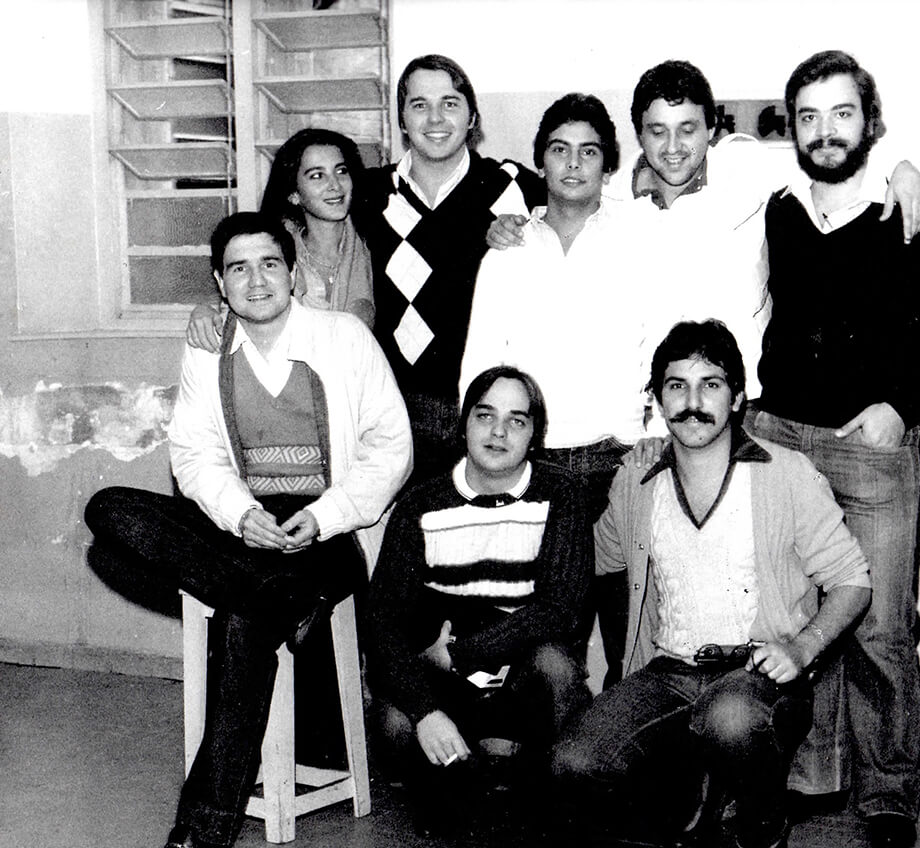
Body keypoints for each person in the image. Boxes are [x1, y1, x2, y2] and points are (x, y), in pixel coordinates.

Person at [84, 211, 413, 848]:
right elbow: (193, 454)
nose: (256, 280)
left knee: (243, 619)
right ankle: (277, 599)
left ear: (292, 273)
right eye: (238, 268)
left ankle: (204, 830)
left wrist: (324, 515)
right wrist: (241, 515)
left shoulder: (343, 336)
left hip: (329, 533)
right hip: (243, 530)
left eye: (269, 264)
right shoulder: (208, 347)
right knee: (110, 507)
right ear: (219, 281)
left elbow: (391, 446)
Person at [747, 50, 920, 848]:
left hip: (872, 449)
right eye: (808, 117)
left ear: (871, 122)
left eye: (841, 113)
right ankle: (812, 777)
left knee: (880, 625)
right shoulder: (778, 208)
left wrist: (901, 409)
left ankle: (888, 796)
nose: (825, 131)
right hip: (781, 439)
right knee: (797, 615)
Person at [550, 320, 871, 848]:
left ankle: (763, 823)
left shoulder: (786, 473)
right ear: (657, 400)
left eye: (711, 385)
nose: (693, 403)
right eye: (677, 386)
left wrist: (801, 647)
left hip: (757, 675)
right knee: (575, 761)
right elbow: (593, 562)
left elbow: (853, 581)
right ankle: (686, 795)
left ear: (738, 398)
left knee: (731, 720)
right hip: (669, 671)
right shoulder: (637, 480)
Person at [488, 59, 920, 397]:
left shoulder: (748, 168)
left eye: (687, 129)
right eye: (657, 131)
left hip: (748, 402)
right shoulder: (614, 199)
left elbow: (830, 155)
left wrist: (901, 166)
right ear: (639, 134)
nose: (673, 147)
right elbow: (557, 211)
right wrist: (511, 225)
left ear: (711, 127)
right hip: (656, 410)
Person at [368, 365, 593, 838]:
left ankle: (531, 798)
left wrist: (461, 653)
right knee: (394, 724)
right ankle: (468, 791)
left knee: (557, 667)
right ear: (464, 423)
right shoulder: (420, 507)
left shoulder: (561, 495)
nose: (498, 432)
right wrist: (427, 712)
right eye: (485, 415)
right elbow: (382, 626)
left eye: (516, 420)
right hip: (448, 687)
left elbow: (561, 611)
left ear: (535, 434)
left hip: (520, 679)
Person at [458, 93, 651, 522]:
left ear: (607, 165)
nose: (573, 163)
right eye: (560, 149)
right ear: (541, 163)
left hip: (619, 453)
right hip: (529, 456)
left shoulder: (638, 238)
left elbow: (659, 340)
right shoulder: (508, 251)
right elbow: (480, 364)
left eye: (589, 151)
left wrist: (651, 435)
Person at [358, 54, 545, 483]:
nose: (435, 119)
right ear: (402, 120)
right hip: (396, 412)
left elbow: (587, 208)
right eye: (419, 105)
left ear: (472, 116)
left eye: (450, 103)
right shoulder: (370, 193)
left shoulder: (511, 185)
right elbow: (292, 238)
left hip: (486, 412)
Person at [186, 128, 375, 351]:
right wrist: (205, 311)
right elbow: (236, 291)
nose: (335, 185)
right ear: (294, 195)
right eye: (317, 175)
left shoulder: (377, 243)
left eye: (341, 171)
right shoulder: (273, 250)